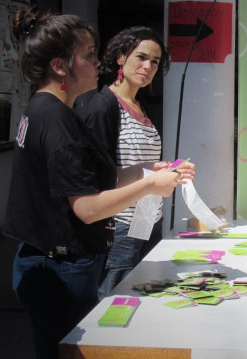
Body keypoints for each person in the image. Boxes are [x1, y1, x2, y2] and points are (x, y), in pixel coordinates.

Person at [4, 8, 188, 359]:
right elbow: (87, 207)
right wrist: (150, 185)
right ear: (60, 66)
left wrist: (146, 171)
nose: (97, 63)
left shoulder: (42, 109)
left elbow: (86, 181)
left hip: (48, 263)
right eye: (88, 56)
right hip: (58, 268)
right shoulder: (59, 120)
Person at [84, 26, 195, 298]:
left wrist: (168, 170)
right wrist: (148, 178)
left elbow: (141, 165)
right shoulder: (104, 105)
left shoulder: (139, 104)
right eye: (141, 57)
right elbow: (97, 176)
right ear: (121, 57)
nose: (148, 66)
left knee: (141, 295)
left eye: (155, 62)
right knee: (116, 300)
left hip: (147, 216)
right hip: (119, 223)